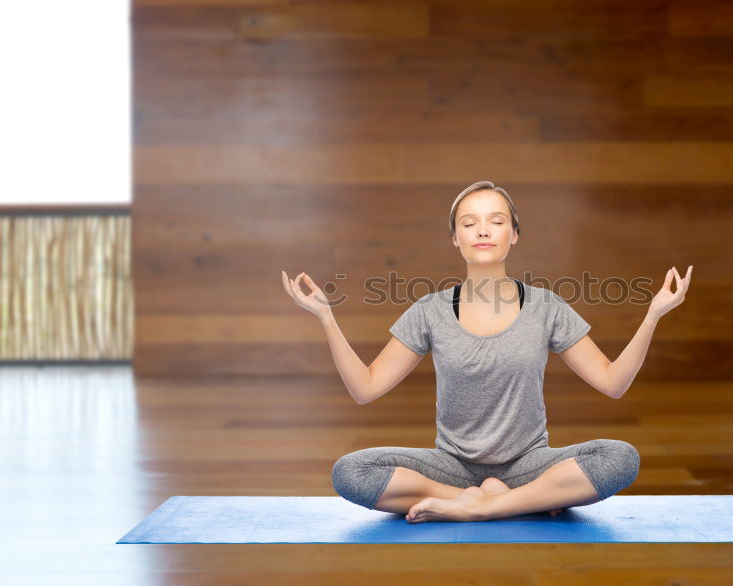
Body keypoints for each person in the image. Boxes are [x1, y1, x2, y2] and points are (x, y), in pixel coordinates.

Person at [281, 180, 693, 523]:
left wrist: (654, 315)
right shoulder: (429, 311)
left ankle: (483, 507)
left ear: (513, 235)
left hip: (529, 465)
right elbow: (365, 388)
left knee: (619, 458)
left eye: (496, 221)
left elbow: (613, 383)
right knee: (351, 472)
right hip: (451, 468)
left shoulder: (547, 307)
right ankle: (501, 499)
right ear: (455, 238)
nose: (482, 231)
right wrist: (326, 317)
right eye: (469, 223)